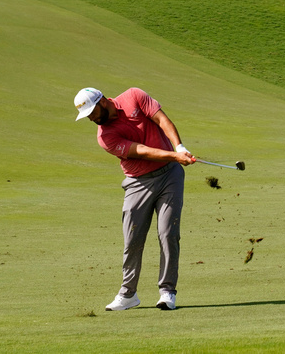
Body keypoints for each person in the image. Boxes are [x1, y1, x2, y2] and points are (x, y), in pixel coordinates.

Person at [74, 86, 196, 311]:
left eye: (92, 112)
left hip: (170, 176)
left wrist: (179, 147)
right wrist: (174, 156)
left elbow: (162, 120)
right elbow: (140, 151)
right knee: (132, 239)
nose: (91, 118)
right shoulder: (105, 136)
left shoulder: (134, 96)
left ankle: (167, 291)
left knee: (168, 233)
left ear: (102, 101)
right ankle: (128, 294)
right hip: (138, 183)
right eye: (87, 116)